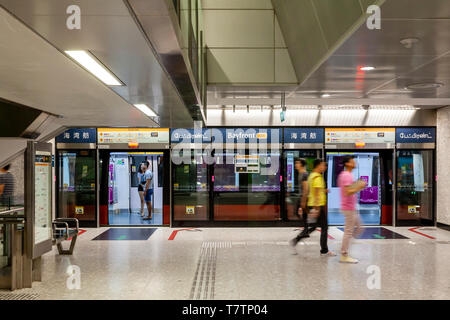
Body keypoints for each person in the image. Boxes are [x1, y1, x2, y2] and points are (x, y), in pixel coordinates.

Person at [294, 159, 336, 256]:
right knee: (324, 228)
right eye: (323, 165)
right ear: (318, 166)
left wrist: (323, 190)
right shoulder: (317, 177)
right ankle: (324, 250)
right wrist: (317, 209)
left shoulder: (311, 176)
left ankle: (297, 239)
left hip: (312, 205)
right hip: (318, 206)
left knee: (314, 226)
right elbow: (315, 193)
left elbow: (313, 190)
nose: (324, 167)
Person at [337, 156, 366, 263]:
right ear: (348, 164)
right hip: (348, 207)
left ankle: (345, 245)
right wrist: (360, 186)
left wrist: (358, 185)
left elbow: (350, 188)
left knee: (359, 228)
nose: (355, 162)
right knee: (349, 231)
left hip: (351, 207)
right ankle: (344, 254)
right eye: (352, 161)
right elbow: (348, 192)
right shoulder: (346, 175)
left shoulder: (347, 175)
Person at [289, 158, 309, 247]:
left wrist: (303, 201)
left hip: (303, 197)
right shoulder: (301, 173)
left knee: (300, 213)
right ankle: (306, 229)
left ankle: (306, 230)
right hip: (301, 196)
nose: (295, 164)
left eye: (297, 163)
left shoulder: (304, 174)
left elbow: (306, 188)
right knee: (299, 214)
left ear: (301, 164)